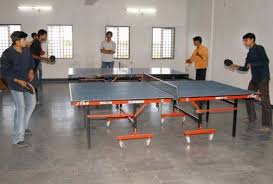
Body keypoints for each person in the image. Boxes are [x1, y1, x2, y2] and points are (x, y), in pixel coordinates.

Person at [229, 33, 272, 132]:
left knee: (265, 100)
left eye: (246, 40)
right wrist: (236, 66)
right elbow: (245, 69)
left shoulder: (259, 48)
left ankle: (267, 125)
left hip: (263, 77)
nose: (245, 42)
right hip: (255, 78)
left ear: (252, 39)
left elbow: (265, 61)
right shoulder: (249, 53)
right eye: (244, 41)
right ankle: (252, 117)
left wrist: (252, 64)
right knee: (248, 96)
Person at [0, 31, 36, 148]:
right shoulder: (7, 54)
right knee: (20, 108)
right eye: (24, 40)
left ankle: (23, 127)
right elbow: (4, 72)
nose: (26, 41)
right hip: (15, 84)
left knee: (31, 104)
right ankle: (17, 138)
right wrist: (16, 80)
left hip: (27, 82)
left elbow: (31, 62)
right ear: (17, 41)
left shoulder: (26, 50)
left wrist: (31, 70)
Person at [30, 29, 49, 104]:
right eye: (45, 35)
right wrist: (43, 58)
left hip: (34, 66)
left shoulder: (38, 42)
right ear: (41, 35)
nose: (46, 37)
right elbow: (32, 55)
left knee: (34, 83)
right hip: (31, 66)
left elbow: (37, 54)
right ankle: (33, 100)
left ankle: (34, 100)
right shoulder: (36, 42)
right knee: (33, 84)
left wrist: (44, 58)